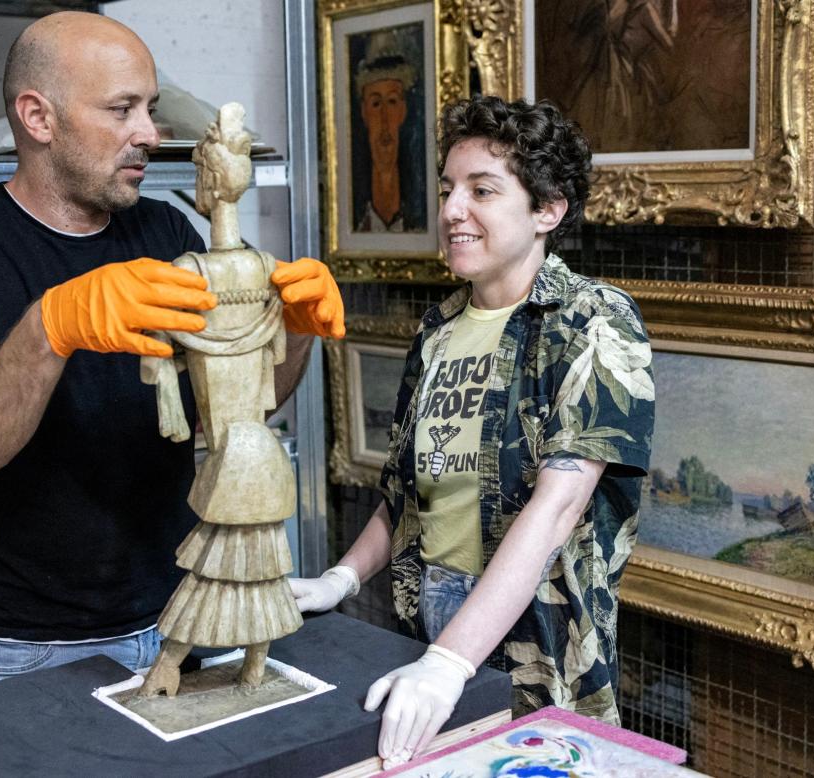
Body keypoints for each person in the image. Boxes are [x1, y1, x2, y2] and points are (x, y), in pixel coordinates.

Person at [0, 11, 344, 689]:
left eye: (151, 109)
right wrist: (52, 326)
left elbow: (250, 404)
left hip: (186, 616)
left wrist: (297, 332)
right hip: (30, 650)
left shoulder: (162, 227)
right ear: (38, 118)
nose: (150, 136)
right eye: (122, 109)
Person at [290, 95, 655, 765]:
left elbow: (557, 507)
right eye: (448, 189)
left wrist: (451, 661)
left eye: (482, 190)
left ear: (547, 209)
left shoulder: (591, 321)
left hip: (539, 629)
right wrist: (340, 580)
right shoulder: (438, 330)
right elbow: (406, 492)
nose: (453, 209)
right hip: (430, 608)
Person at [353, 30, 424, 233]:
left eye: (392, 101)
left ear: (403, 110)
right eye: (376, 103)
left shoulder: (420, 229)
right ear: (364, 112)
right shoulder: (357, 228)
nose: (384, 119)